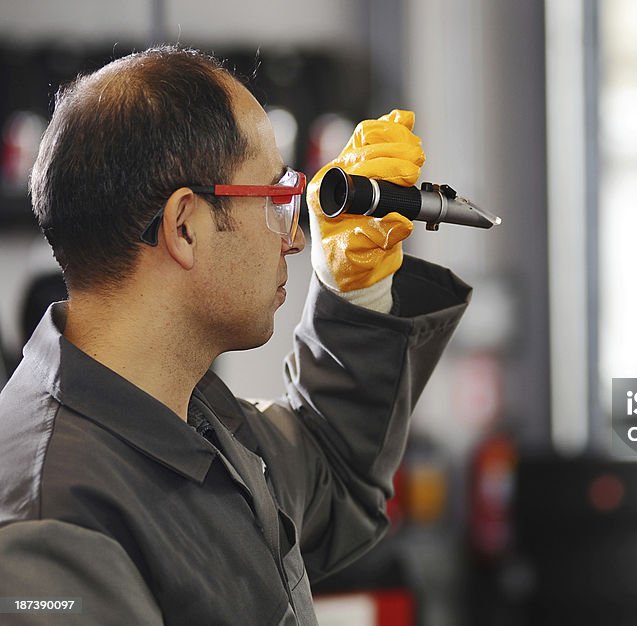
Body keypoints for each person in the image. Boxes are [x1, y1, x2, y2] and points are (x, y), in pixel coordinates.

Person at [0, 46, 470, 624]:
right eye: (277, 200)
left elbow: (333, 477)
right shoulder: (48, 525)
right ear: (185, 228)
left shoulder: (193, 420)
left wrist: (355, 289)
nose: (295, 240)